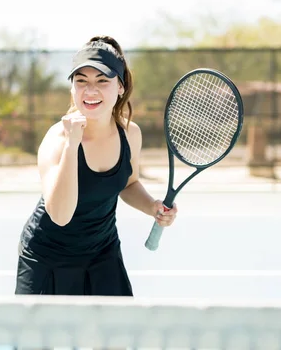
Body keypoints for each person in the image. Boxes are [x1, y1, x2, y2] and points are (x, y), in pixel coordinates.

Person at [14, 35, 178, 296]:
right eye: (81, 82)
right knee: (44, 338)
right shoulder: (56, 141)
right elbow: (60, 215)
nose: (90, 91)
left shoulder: (130, 134)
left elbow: (129, 183)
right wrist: (73, 144)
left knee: (116, 335)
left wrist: (152, 206)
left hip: (102, 253)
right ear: (72, 89)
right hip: (47, 258)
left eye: (102, 81)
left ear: (121, 87)